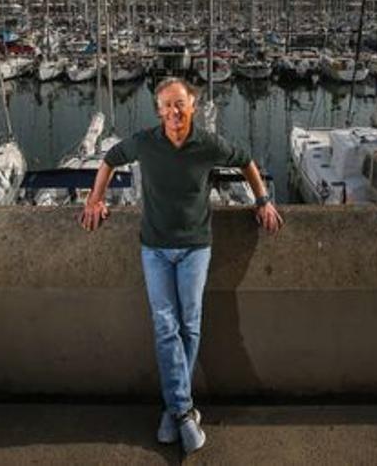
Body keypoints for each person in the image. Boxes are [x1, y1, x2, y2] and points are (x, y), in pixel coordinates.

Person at [80, 76, 283, 455]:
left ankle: (174, 412)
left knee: (189, 324)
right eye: (166, 106)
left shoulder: (208, 144)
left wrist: (263, 200)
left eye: (180, 104)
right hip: (154, 249)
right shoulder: (145, 142)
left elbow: (245, 161)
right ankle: (185, 410)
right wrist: (95, 199)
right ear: (158, 112)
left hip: (195, 249)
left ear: (192, 106)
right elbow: (108, 160)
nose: (173, 112)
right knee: (165, 326)